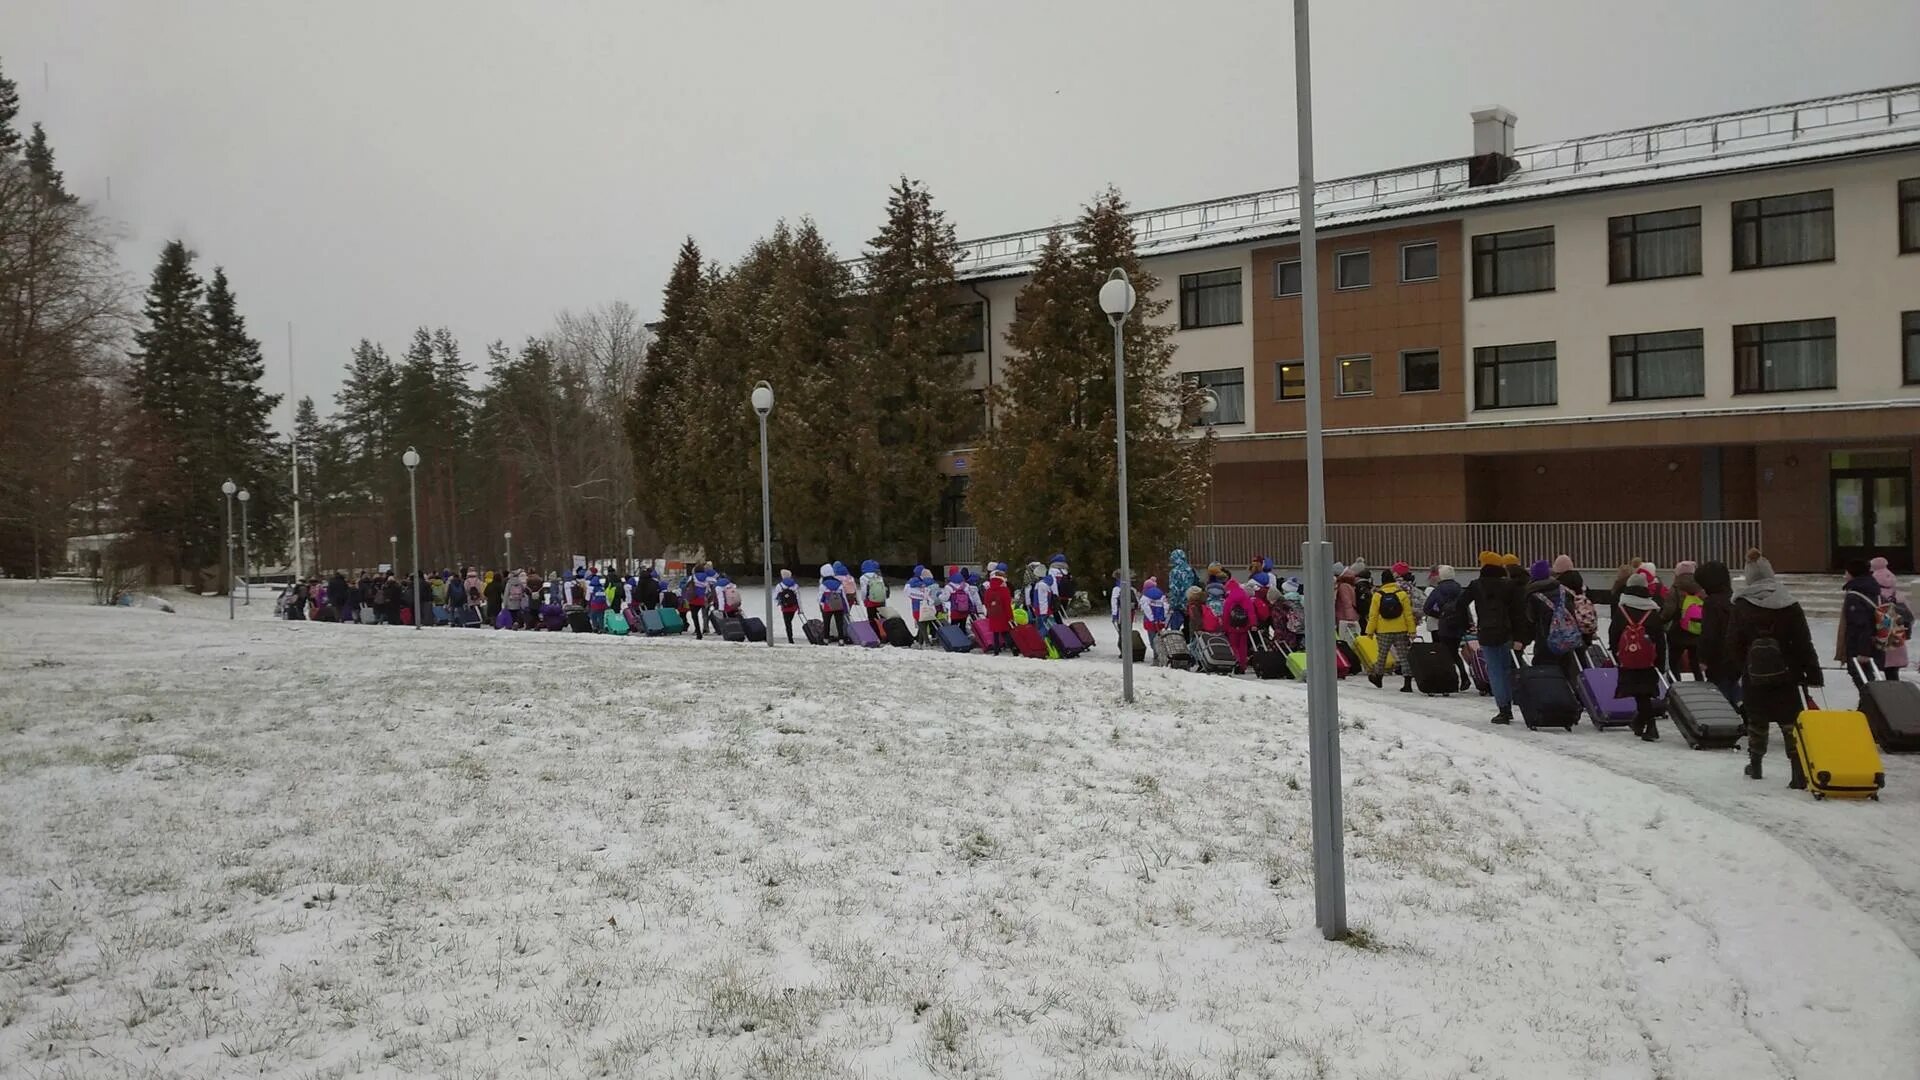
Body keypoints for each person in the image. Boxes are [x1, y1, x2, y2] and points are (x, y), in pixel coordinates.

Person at [1727, 549, 1822, 786]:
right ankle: (1797, 769)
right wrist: (1812, 672)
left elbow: (1732, 642)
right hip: (1787, 672)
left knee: (1757, 719)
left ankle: (1756, 764)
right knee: (1790, 722)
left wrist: (1743, 667)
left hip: (1754, 673)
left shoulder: (1741, 605)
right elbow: (1803, 641)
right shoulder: (1789, 603)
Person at [1459, 551, 1524, 725]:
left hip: (1487, 633)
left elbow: (1460, 604)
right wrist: (1519, 636)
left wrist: (1465, 624)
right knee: (1508, 669)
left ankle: (1504, 709)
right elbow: (1518, 613)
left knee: (1495, 671)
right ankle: (1518, 700)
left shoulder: (1476, 585)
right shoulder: (1510, 586)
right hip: (1507, 633)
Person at [1610, 574, 1667, 741]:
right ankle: (1641, 722)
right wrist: (1660, 663)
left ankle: (1648, 724)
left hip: (1628, 658)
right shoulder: (1652, 610)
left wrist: (1616, 653)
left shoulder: (1622, 609)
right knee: (1644, 692)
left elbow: (1614, 633)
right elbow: (1660, 639)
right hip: (1648, 660)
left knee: (1638, 693)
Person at [1363, 569, 1418, 692]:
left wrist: (1370, 632)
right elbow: (1408, 615)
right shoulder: (1401, 594)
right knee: (1403, 656)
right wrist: (1412, 631)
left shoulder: (1378, 595)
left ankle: (1378, 678)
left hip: (1383, 630)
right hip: (1401, 629)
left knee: (1382, 655)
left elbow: (1373, 616)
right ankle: (1407, 683)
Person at [1694, 560, 1739, 706]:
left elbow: (1709, 633)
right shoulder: (1734, 599)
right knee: (1735, 693)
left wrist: (1703, 658)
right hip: (1736, 657)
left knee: (1720, 700)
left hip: (1718, 659)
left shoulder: (1712, 603)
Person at [1425, 564, 1470, 687]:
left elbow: (1427, 607)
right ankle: (1464, 676)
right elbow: (1466, 607)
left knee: (1443, 653)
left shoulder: (1438, 590)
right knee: (1454, 652)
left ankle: (1449, 680)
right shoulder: (1460, 589)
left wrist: (1439, 614)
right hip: (1458, 625)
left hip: (1444, 625)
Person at [1661, 560, 1705, 678]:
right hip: (1697, 629)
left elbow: (1668, 612)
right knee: (1695, 662)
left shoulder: (1675, 589)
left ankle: (1676, 683)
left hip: (1678, 630)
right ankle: (1700, 682)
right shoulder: (1701, 588)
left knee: (1674, 661)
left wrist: (1661, 621)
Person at [1871, 557, 1913, 679]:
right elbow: (1910, 616)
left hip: (1882, 634)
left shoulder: (1875, 594)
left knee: (1875, 668)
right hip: (1896, 635)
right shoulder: (1898, 594)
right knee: (1893, 671)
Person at [1839, 558, 1883, 673]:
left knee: (1864, 681)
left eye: (1846, 572)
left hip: (1859, 647)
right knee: (1869, 680)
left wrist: (1863, 652)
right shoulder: (1873, 590)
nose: (1845, 575)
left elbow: (1861, 625)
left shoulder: (1855, 596)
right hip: (1875, 643)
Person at [1221, 578, 1256, 672]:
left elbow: (1225, 615)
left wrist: (1225, 627)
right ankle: (1242, 666)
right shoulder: (1245, 597)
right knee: (1243, 647)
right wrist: (1253, 624)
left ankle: (1236, 660)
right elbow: (1251, 612)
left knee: (1233, 645)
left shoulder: (1229, 599)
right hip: (1244, 626)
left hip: (1232, 627)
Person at [982, 566, 1015, 654]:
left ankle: (996, 650)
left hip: (993, 613)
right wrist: (1010, 616)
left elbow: (986, 602)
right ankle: (1013, 648)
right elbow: (1007, 605)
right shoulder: (1004, 590)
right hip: (1003, 614)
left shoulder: (988, 590)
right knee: (1005, 632)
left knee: (995, 632)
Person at [1110, 570, 1140, 656]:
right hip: (1130, 614)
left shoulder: (1116, 589)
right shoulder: (1131, 588)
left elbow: (1114, 602)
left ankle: (1123, 650)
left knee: (1121, 632)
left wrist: (1114, 614)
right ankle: (1127, 649)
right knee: (1127, 631)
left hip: (1121, 614)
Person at [817, 564, 848, 644]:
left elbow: (820, 597)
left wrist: (821, 605)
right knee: (839, 624)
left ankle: (826, 639)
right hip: (839, 606)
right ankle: (841, 640)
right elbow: (843, 596)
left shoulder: (823, 584)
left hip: (827, 607)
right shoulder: (839, 583)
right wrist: (846, 607)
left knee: (827, 623)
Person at [1140, 577, 1169, 661]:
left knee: (1152, 638)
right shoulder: (1161, 594)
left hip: (1150, 622)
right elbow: (1166, 606)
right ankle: (1161, 654)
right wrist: (1163, 617)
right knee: (1160, 637)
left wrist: (1151, 618)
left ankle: (1156, 656)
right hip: (1160, 621)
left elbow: (1146, 608)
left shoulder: (1145, 596)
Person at [1333, 566, 1360, 642]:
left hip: (1344, 617)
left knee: (1346, 638)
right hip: (1350, 615)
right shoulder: (1349, 586)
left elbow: (1346, 603)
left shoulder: (1343, 586)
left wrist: (1349, 618)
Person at [775, 570, 801, 644]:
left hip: (785, 608)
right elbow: (798, 598)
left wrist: (780, 602)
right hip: (793, 607)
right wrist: (800, 609)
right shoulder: (795, 585)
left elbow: (775, 598)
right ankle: (790, 638)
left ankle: (790, 638)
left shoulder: (779, 586)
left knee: (787, 623)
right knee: (790, 621)